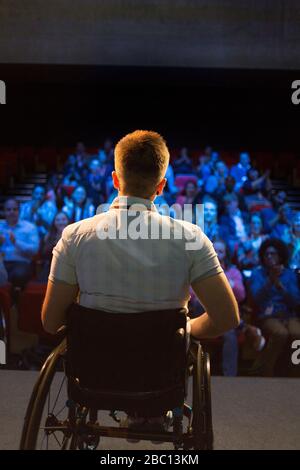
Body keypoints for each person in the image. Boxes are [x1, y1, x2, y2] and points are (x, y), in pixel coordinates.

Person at [42, 130, 239, 429]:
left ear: (115, 179)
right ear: (161, 186)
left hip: (94, 373)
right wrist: (187, 328)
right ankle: (149, 414)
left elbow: (50, 321)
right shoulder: (191, 239)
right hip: (159, 376)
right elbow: (226, 317)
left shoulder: (74, 236)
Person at [249, 238, 300, 376]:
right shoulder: (257, 274)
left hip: (289, 315)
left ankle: (296, 372)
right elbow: (256, 300)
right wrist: (270, 281)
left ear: (281, 256)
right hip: (268, 315)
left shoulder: (289, 274)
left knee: (297, 334)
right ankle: (265, 370)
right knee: (280, 333)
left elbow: (296, 301)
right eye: (267, 254)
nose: (270, 257)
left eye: (274, 254)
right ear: (262, 256)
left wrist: (280, 287)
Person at [0, 199, 39, 288]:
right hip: (1, 262)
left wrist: (16, 242)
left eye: (15, 209)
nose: (12, 212)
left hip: (21, 263)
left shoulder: (29, 227)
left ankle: (14, 300)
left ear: (19, 211)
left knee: (18, 274)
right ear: (4, 211)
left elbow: (34, 250)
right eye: (8, 209)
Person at [38, 212, 70, 282]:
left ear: (68, 221)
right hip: (51, 268)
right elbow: (44, 255)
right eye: (58, 220)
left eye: (63, 219)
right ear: (54, 222)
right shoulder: (48, 236)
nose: (61, 222)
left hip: (68, 269)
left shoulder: (74, 236)